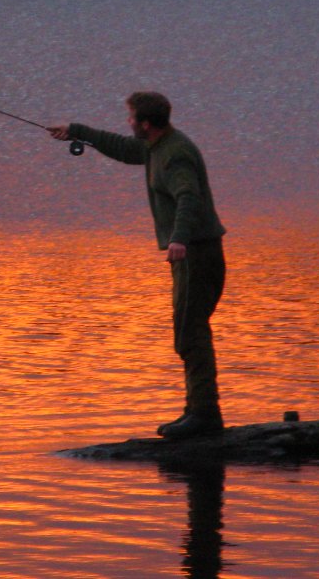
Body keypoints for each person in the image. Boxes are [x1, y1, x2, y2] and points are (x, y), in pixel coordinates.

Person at [48, 92, 227, 440]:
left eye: (131, 118)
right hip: (192, 250)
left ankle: (205, 414)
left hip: (196, 251)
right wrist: (75, 130)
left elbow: (188, 196)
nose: (127, 123)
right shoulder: (156, 145)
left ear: (146, 124)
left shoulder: (174, 154)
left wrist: (179, 238)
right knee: (190, 329)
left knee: (190, 332)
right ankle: (198, 410)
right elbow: (123, 148)